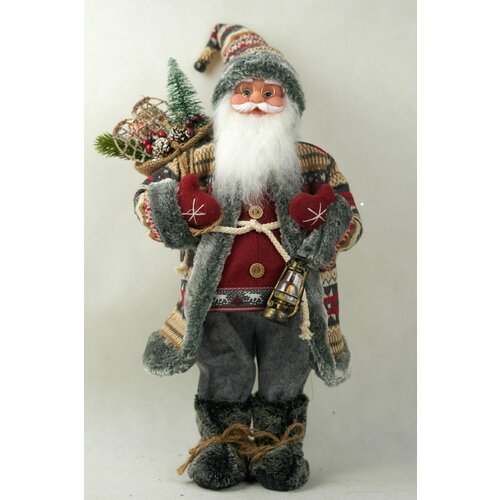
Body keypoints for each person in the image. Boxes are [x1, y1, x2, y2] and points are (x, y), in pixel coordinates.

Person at [134, 24, 362, 491]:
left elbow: (352, 224)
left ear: (290, 103)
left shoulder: (313, 163)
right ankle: (223, 445)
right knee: (223, 370)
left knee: (287, 372)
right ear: (225, 101)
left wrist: (325, 221)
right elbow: (145, 199)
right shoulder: (200, 161)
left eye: (269, 92)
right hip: (217, 304)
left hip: (293, 303)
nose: (256, 101)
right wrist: (179, 210)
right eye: (244, 91)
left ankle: (280, 447)